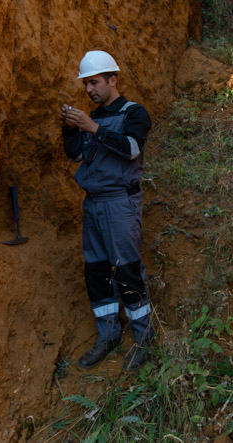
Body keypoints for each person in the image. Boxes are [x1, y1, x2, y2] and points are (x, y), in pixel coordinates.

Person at [61, 50, 155, 371]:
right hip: (94, 203)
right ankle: (109, 334)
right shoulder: (94, 117)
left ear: (112, 80)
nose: (89, 89)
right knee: (97, 270)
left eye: (94, 82)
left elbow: (131, 149)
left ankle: (143, 338)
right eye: (86, 84)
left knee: (126, 269)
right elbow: (75, 156)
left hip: (120, 203)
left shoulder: (135, 113)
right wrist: (72, 128)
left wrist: (90, 126)